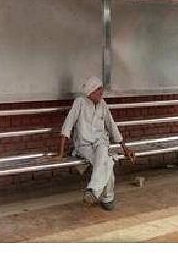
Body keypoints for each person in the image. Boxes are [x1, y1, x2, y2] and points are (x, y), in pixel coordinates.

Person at [56, 75, 135, 210]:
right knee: (107, 163)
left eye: (101, 89)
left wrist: (125, 148)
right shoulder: (79, 102)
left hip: (100, 143)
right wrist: (60, 153)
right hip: (84, 146)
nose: (101, 92)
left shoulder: (103, 104)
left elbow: (112, 125)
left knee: (103, 157)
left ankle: (93, 191)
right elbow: (67, 125)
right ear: (90, 91)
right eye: (98, 89)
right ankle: (107, 198)